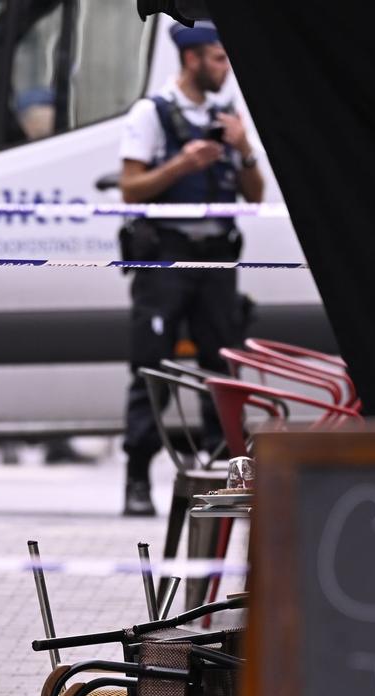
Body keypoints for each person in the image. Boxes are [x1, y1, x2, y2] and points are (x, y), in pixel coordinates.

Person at [114, 20, 262, 518]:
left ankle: (224, 475)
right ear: (192, 59)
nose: (226, 68)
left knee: (222, 367)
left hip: (218, 257)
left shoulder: (227, 115)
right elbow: (131, 188)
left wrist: (242, 148)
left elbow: (255, 196)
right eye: (219, 58)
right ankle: (137, 477)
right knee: (150, 368)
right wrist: (184, 163)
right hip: (166, 256)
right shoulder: (152, 114)